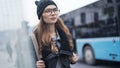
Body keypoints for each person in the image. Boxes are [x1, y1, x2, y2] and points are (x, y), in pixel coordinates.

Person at [32, 0, 78, 68]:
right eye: (48, 11)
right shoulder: (35, 37)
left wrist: (73, 60)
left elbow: (70, 55)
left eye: (55, 10)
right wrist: (36, 65)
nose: (53, 13)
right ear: (41, 15)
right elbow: (31, 60)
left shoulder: (64, 32)